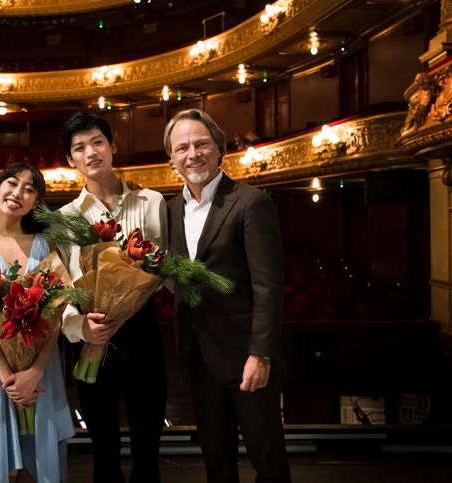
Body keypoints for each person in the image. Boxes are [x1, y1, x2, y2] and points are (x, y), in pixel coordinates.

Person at [164, 108, 291, 483]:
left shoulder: (251, 202)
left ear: (220, 149)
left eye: (202, 144)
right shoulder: (169, 210)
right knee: (216, 461)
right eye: (182, 147)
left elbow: (268, 286)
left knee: (267, 458)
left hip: (247, 356)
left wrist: (261, 353)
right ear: (171, 159)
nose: (193, 154)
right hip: (199, 356)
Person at [58, 111, 167, 483]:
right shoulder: (64, 218)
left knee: (148, 443)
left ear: (113, 146)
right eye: (79, 148)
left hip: (142, 332)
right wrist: (80, 328)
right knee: (103, 449)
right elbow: (63, 287)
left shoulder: (152, 201)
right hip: (94, 334)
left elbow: (164, 266)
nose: (90, 152)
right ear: (71, 160)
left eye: (98, 142)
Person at [0, 162, 75, 483]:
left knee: (39, 460)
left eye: (29, 189)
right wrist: (8, 377)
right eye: (12, 183)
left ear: (36, 201)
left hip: (42, 367)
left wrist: (35, 370)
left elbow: (55, 316)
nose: (17, 193)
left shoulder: (45, 243)